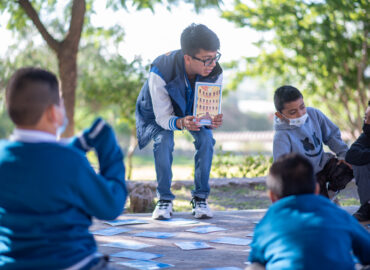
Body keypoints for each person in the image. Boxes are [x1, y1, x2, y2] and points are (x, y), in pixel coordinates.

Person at [0, 67, 127, 269]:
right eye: (60, 103)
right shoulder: (71, 162)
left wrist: (78, 143)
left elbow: (37, 160)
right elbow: (111, 205)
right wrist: (108, 146)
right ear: (52, 112)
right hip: (71, 263)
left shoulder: (3, 156)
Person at [135, 23, 223, 220]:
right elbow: (162, 117)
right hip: (158, 111)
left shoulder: (215, 71)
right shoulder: (160, 70)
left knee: (207, 139)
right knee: (163, 140)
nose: (212, 64)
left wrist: (212, 119)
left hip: (191, 111)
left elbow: (207, 108)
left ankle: (200, 198)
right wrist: (181, 122)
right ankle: (164, 199)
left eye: (215, 57)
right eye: (206, 60)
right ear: (187, 58)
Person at [247, 153, 370, 270]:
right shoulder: (339, 215)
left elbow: (257, 259)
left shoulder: (268, 222)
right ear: (317, 189)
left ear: (272, 197)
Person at [272, 85, 353, 199]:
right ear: (279, 115)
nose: (300, 114)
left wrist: (344, 155)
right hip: (305, 176)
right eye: (292, 112)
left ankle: (331, 194)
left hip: (323, 164)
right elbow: (281, 168)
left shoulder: (314, 114)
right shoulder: (281, 136)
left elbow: (331, 135)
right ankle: (322, 200)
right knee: (315, 202)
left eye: (302, 107)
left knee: (349, 165)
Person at [345, 100, 370, 222]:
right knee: (360, 162)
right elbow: (351, 154)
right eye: (366, 118)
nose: (367, 123)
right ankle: (368, 206)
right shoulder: (366, 136)